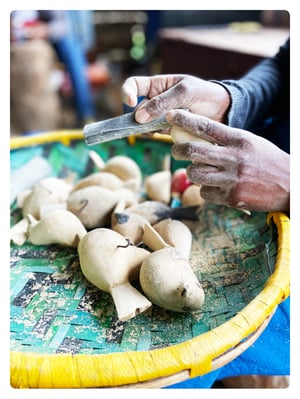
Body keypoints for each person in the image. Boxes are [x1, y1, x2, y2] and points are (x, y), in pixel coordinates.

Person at [121, 38, 290, 388]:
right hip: (250, 205)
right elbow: (285, 67)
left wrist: (291, 185)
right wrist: (229, 99)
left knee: (165, 374)